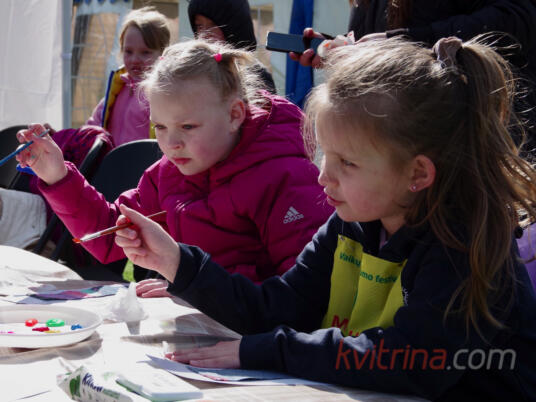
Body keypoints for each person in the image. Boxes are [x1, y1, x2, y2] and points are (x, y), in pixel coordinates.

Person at [115, 37, 536, 400]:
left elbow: (411, 361)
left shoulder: (464, 245)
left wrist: (267, 350)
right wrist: (175, 260)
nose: (323, 177)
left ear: (417, 173)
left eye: (347, 163)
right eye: (324, 155)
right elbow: (280, 308)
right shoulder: (351, 223)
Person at [16, 39, 333, 288]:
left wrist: (189, 287)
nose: (171, 143)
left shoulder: (285, 177)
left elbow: (301, 294)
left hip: (257, 340)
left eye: (188, 126)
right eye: (161, 127)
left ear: (234, 115)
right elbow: (110, 234)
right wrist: (57, 175)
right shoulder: (169, 173)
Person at [292, 0, 536, 152]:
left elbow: (518, 19)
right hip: (402, 139)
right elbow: (374, 38)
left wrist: (402, 41)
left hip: (473, 134)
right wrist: (340, 49)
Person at [86, 6, 171, 147]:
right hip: (113, 160)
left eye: (145, 52)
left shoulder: (164, 93)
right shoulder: (118, 88)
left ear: (163, 53)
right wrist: (61, 137)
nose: (135, 59)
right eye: (128, 51)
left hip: (146, 160)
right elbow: (91, 127)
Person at [188, 0, 276, 93]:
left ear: (234, 28)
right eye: (199, 26)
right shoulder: (192, 72)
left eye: (213, 25)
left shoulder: (257, 77)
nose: (204, 34)